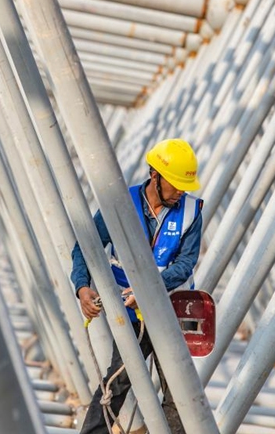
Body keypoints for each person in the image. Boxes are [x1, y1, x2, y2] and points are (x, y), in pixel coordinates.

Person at [70, 139, 204, 434]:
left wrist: (147, 290)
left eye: (185, 185)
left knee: (178, 391)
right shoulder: (120, 204)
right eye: (176, 183)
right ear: (155, 175)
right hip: (133, 315)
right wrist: (82, 286)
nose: (181, 191)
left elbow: (185, 264)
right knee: (117, 381)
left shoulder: (191, 212)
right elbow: (86, 246)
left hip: (172, 311)